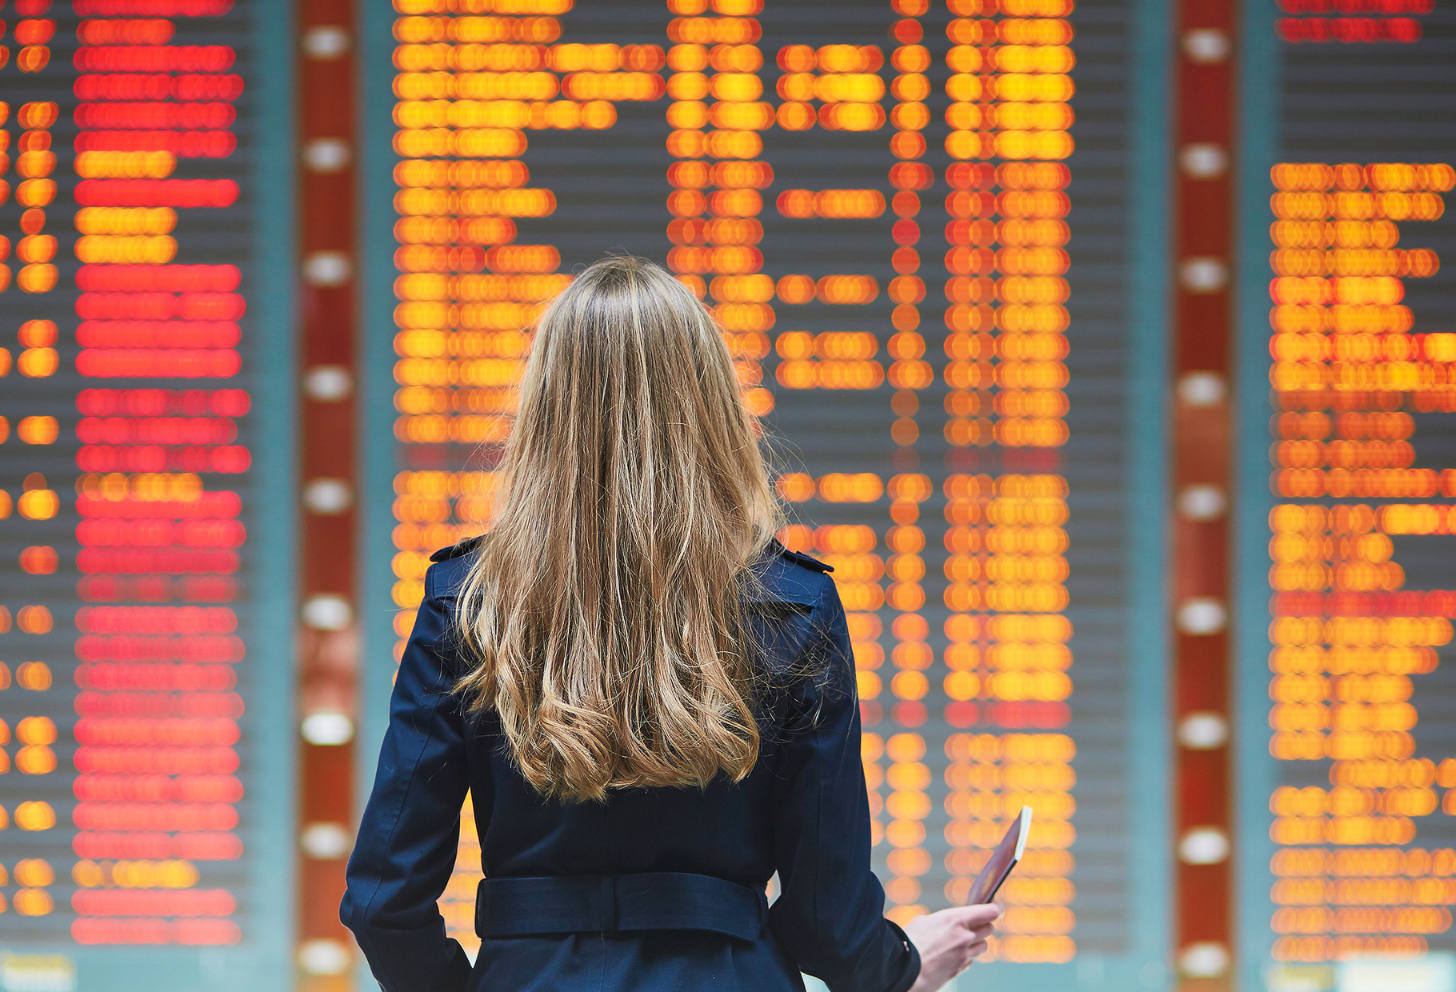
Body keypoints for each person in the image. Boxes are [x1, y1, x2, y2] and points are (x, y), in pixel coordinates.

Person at [342, 255, 1002, 991]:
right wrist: (901, 964)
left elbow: (383, 903)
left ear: (543, 408)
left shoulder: (465, 601)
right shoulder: (794, 604)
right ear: (714, 405)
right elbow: (825, 914)